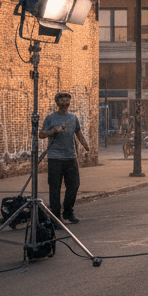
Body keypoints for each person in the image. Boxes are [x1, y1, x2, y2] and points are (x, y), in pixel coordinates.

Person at [38, 92, 89, 224]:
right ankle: (55, 217)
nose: (65, 103)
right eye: (62, 100)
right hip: (55, 158)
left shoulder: (73, 118)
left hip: (70, 157)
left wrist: (85, 146)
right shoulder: (51, 118)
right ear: (57, 102)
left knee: (74, 185)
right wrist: (53, 131)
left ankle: (68, 212)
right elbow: (41, 134)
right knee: (54, 187)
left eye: (67, 100)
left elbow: (78, 133)